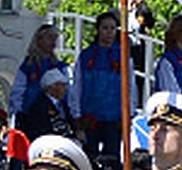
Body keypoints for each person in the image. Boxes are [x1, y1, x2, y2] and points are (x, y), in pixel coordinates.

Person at [70, 12, 124, 159]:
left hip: (114, 116)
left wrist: (128, 113)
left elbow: (129, 86)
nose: (109, 33)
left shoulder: (123, 56)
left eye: (112, 28)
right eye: (105, 28)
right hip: (91, 116)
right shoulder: (86, 56)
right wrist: (77, 114)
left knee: (112, 156)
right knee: (90, 156)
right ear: (98, 30)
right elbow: (77, 86)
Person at [9, 24, 67, 129]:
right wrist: (17, 113)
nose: (53, 42)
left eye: (55, 38)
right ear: (39, 40)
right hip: (31, 113)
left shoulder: (59, 66)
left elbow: (67, 92)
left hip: (54, 114)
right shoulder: (28, 66)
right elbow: (18, 91)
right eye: (49, 38)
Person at [18, 69, 77, 143]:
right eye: (62, 85)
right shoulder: (39, 107)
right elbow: (40, 130)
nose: (65, 89)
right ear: (51, 88)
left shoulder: (62, 105)